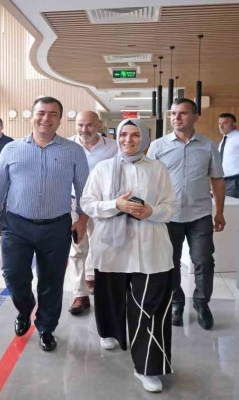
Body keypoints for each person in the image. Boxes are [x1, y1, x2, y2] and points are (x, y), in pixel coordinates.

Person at [81, 119, 177, 393]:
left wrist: (151, 212)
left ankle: (147, 367)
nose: (128, 140)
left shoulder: (157, 169)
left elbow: (171, 206)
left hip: (150, 248)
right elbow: (87, 203)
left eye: (135, 135)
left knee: (149, 307)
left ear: (144, 139)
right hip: (111, 248)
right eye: (123, 134)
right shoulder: (103, 168)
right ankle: (111, 331)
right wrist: (116, 204)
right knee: (110, 296)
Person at [0, 96, 89, 352]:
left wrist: (82, 219)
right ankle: (25, 308)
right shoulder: (11, 149)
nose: (46, 118)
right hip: (16, 226)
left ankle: (46, 327)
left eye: (53, 114)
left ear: (60, 119)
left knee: (52, 280)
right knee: (14, 275)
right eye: (41, 112)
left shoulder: (73, 151)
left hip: (56, 227)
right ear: (32, 115)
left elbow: (85, 190)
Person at [148, 98, 226, 330]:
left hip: (199, 214)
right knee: (169, 262)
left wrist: (220, 212)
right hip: (168, 215)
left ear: (195, 117)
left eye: (182, 113)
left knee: (204, 260)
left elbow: (217, 180)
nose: (176, 118)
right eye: (173, 113)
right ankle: (176, 301)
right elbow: (147, 180)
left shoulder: (208, 145)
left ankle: (202, 303)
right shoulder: (158, 146)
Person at [67, 110, 118, 315]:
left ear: (99, 125)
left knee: (101, 246)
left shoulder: (113, 147)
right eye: (80, 125)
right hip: (74, 203)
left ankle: (93, 277)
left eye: (89, 125)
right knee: (77, 248)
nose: (84, 129)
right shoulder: (67, 145)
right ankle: (80, 294)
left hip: (101, 204)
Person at [218, 113, 239, 198]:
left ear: (234, 125)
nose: (221, 126)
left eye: (225, 123)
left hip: (235, 180)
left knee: (231, 205)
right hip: (224, 180)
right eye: (219, 123)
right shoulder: (225, 138)